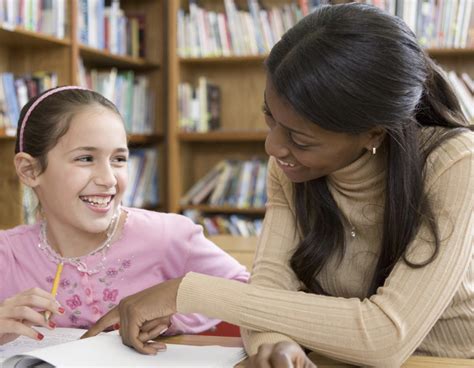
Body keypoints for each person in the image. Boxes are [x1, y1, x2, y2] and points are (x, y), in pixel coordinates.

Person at [85, 3, 473, 367]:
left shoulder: (456, 163)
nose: (273, 147)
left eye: (301, 139)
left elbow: (387, 335)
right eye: (269, 118)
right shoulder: (292, 168)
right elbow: (269, 289)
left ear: (372, 134)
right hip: (339, 359)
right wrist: (272, 341)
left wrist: (185, 292)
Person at [0, 86, 249, 347]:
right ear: (29, 170)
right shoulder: (7, 255)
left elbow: (249, 295)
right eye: (86, 158)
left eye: (119, 159)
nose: (108, 179)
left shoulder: (169, 236)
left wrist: (173, 314)